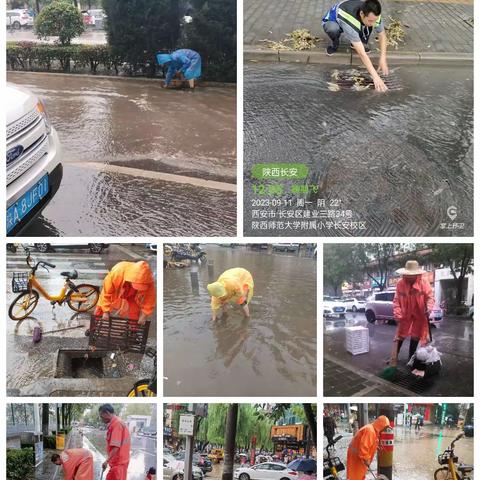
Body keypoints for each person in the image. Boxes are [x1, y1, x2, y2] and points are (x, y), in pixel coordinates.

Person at [322, 0, 389, 92]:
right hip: (335, 20)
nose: (373, 23)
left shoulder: (374, 15)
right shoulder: (349, 19)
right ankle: (335, 43)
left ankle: (356, 42)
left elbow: (382, 35)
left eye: (375, 21)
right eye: (370, 21)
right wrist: (376, 77)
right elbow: (362, 54)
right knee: (332, 29)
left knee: (366, 27)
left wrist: (383, 58)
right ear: (362, 14)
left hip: (355, 21)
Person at [388, 260, 435, 368]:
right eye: (408, 275)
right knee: (400, 335)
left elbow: (430, 297)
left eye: (412, 275)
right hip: (405, 313)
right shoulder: (400, 284)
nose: (410, 277)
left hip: (420, 312)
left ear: (417, 274)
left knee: (416, 336)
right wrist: (398, 314)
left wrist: (429, 307)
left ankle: (411, 358)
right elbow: (396, 301)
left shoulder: (424, 282)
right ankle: (394, 357)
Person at [95, 261, 156, 325]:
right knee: (100, 307)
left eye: (141, 286)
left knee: (134, 310)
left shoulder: (148, 280)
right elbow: (106, 294)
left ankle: (133, 329)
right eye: (137, 285)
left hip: (132, 293)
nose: (138, 288)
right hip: (117, 287)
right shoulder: (117, 273)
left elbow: (150, 300)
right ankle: (94, 325)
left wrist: (144, 316)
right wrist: (106, 311)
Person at [347, 415, 390, 480]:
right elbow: (364, 447)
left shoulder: (373, 430)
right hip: (357, 457)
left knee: (361, 473)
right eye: (384, 427)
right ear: (381, 425)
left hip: (359, 457)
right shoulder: (370, 431)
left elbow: (370, 442)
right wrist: (367, 459)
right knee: (356, 476)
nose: (384, 429)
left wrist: (376, 446)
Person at [99, 404, 131, 480]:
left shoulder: (116, 424)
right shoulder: (117, 422)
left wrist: (106, 461)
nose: (101, 419)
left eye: (101, 416)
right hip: (121, 462)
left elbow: (116, 447)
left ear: (107, 413)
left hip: (118, 463)